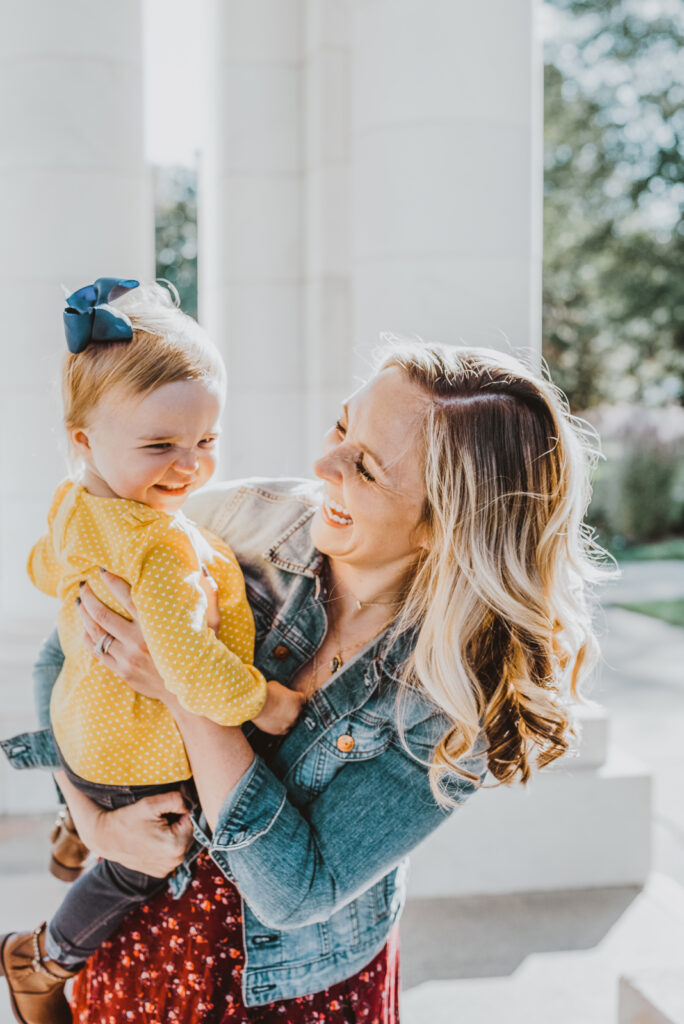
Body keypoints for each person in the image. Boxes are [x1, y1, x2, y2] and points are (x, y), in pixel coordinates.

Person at [2, 339, 611, 1023]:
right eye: (343, 425)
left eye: (368, 469)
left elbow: (297, 894)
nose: (323, 464)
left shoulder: (461, 695)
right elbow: (64, 659)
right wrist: (94, 822)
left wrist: (184, 691)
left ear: (446, 527)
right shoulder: (232, 521)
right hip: (142, 924)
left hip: (302, 985)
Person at [0, 279, 303, 1024]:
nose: (190, 465)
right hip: (138, 762)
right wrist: (269, 702)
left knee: (98, 782)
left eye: (207, 440)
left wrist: (75, 580)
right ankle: (44, 960)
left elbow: (44, 565)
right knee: (141, 869)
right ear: (85, 441)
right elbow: (190, 671)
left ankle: (75, 825)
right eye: (160, 445)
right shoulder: (161, 544)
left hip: (85, 732)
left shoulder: (76, 503)